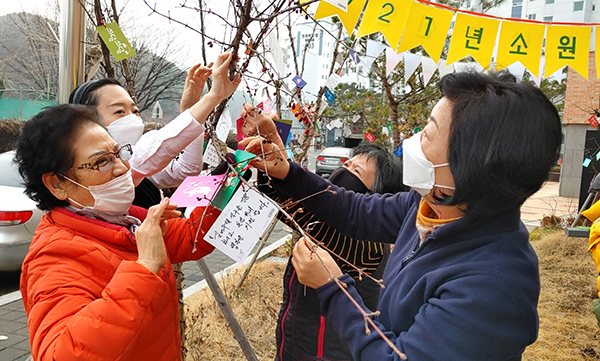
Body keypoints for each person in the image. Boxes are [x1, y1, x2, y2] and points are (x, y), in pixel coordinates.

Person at [241, 71, 563, 360]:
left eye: (428, 133)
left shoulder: (492, 288)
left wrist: (332, 287)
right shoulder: (430, 206)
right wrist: (286, 171)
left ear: (469, 167)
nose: (414, 142)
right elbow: (354, 210)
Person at [16, 104, 221, 361]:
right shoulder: (54, 258)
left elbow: (191, 238)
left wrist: (226, 185)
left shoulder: (124, 221)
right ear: (58, 184)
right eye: (101, 161)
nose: (122, 168)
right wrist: (144, 269)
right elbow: (61, 354)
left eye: (118, 153)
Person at [240, 104, 405, 360]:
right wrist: (269, 140)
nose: (342, 171)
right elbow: (287, 196)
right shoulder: (327, 221)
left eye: (355, 171)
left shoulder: (369, 248)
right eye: (347, 163)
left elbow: (300, 207)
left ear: (377, 199)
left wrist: (274, 144)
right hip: (294, 338)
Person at [69, 52, 241, 208]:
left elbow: (186, 169)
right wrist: (212, 98)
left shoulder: (140, 169)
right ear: (87, 121)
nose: (132, 119)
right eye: (119, 111)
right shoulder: (99, 171)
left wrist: (191, 109)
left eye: (135, 111)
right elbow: (153, 152)